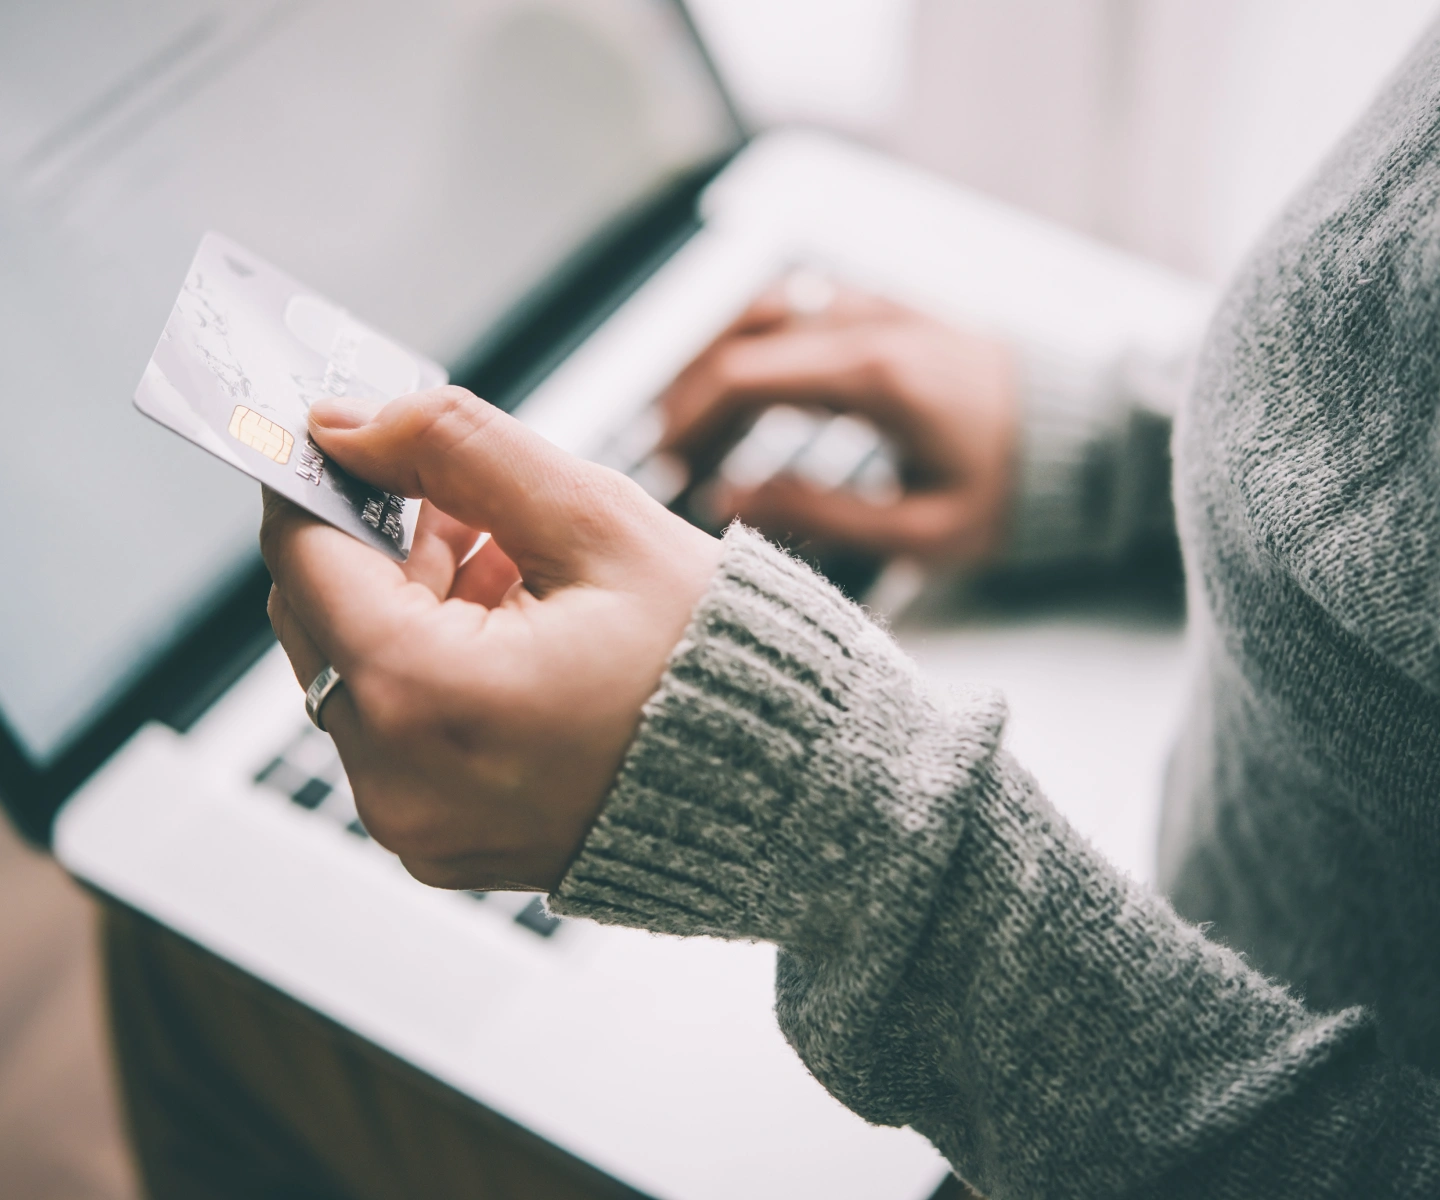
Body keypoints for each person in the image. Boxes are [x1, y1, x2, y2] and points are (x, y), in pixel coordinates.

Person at [115, 20, 1440, 1200]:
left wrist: (841, 833)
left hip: (1128, 1095)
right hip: (1210, 913)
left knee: (179, 967)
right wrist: (1132, 453)